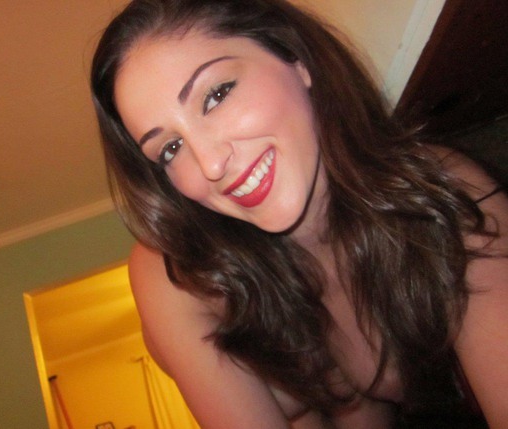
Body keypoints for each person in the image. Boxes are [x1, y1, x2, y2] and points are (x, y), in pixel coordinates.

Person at [90, 0, 508, 427]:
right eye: (170, 148)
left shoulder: (444, 197)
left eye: (216, 96)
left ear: (296, 58)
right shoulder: (184, 274)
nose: (210, 164)